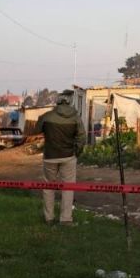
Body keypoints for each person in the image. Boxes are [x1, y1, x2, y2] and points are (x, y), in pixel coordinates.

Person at [36, 89, 85, 225]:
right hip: (68, 156)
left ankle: (49, 218)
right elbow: (82, 137)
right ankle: (65, 219)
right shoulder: (76, 118)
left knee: (48, 187)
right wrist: (77, 152)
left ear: (57, 103)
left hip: (50, 156)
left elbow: (35, 129)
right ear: (70, 103)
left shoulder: (47, 116)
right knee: (68, 188)